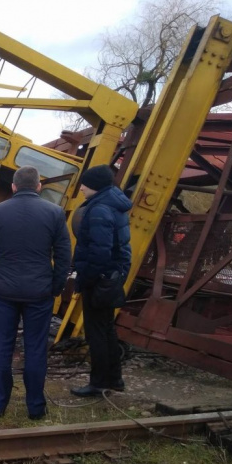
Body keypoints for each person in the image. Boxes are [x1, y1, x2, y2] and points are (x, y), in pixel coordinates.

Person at [0, 166, 72, 420]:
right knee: (36, 349)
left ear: (13, 187)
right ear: (39, 186)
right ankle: (35, 408)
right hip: (40, 293)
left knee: (3, 347)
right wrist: (56, 286)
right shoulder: (54, 213)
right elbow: (64, 255)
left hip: (4, 292)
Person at [70, 164, 132, 398]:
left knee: (96, 332)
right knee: (106, 329)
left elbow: (100, 252)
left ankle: (98, 383)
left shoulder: (99, 209)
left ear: (95, 185)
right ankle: (114, 379)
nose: (82, 188)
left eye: (85, 184)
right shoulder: (114, 204)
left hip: (100, 279)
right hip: (111, 276)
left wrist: (85, 278)